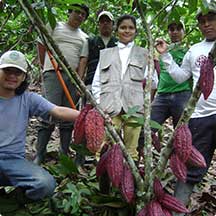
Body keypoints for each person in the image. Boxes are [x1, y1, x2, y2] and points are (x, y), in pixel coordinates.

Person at [155, 3, 216, 215]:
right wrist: (165, 55)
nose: (207, 24)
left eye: (212, 19)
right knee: (193, 167)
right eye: (202, 21)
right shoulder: (195, 49)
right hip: (200, 116)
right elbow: (182, 76)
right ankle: (178, 209)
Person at [0, 50, 80, 202]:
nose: (12, 76)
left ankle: (11, 202)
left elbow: (58, 111)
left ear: (24, 77)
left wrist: (90, 116)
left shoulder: (28, 99)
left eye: (17, 72)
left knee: (45, 184)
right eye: (7, 70)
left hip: (14, 163)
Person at [92, 14, 158, 160]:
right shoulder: (106, 54)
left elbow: (153, 83)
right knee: (104, 146)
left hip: (134, 106)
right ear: (117, 31)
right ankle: (104, 180)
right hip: (109, 105)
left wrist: (153, 64)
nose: (127, 31)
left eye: (130, 28)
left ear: (136, 31)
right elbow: (97, 82)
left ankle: (128, 181)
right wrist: (99, 104)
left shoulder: (143, 53)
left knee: (131, 150)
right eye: (123, 28)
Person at [35, 3, 89, 164]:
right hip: (53, 73)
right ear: (70, 12)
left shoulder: (84, 37)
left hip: (71, 78)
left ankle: (64, 153)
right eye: (77, 12)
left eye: (83, 15)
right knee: (48, 112)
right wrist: (44, 65)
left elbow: (82, 61)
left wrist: (79, 81)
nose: (79, 16)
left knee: (68, 116)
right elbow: (41, 45)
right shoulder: (54, 26)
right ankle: (40, 154)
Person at [151, 21, 192, 130]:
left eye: (178, 29)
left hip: (182, 94)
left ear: (184, 31)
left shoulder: (189, 51)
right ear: (168, 32)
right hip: (162, 95)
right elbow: (157, 74)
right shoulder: (160, 50)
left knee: (181, 132)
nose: (175, 32)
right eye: (172, 29)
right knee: (147, 128)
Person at [82, 10, 118, 85]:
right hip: (91, 81)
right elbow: (83, 62)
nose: (105, 23)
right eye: (102, 21)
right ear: (98, 25)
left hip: (113, 83)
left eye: (108, 21)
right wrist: (80, 82)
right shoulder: (90, 41)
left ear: (113, 25)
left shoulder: (118, 43)